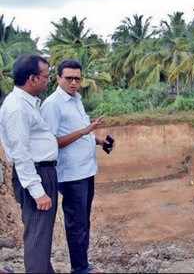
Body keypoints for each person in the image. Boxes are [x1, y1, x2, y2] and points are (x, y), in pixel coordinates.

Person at [41, 59, 111, 274]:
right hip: (71, 174)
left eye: (77, 79)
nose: (73, 83)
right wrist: (85, 131)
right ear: (58, 78)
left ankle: (83, 265)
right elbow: (51, 142)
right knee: (77, 223)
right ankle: (80, 268)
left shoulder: (76, 100)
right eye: (69, 78)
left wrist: (99, 140)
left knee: (83, 221)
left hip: (86, 170)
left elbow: (81, 132)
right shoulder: (53, 105)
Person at [0, 54, 58, 273]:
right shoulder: (17, 108)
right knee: (37, 235)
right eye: (45, 76)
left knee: (41, 236)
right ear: (32, 78)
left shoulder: (28, 103)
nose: (47, 80)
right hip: (35, 174)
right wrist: (37, 191)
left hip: (42, 172)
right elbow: (20, 152)